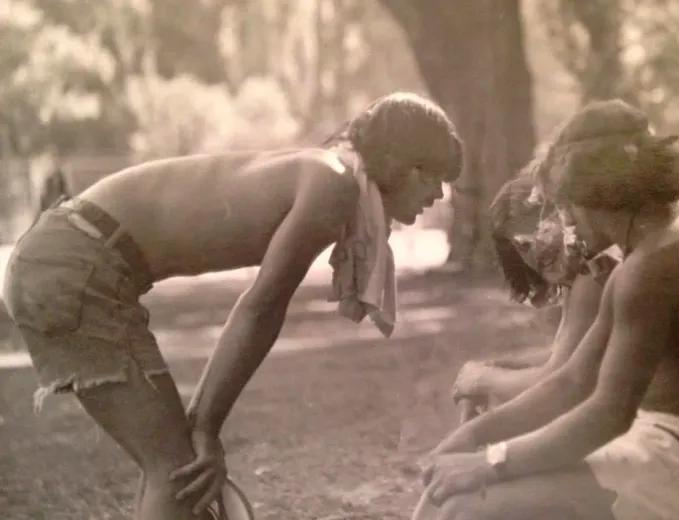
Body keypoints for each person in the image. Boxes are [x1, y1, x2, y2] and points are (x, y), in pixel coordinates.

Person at [2, 92, 463, 519]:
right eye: (436, 178)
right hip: (76, 260)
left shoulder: (331, 172)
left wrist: (203, 424)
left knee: (176, 467)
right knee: (178, 471)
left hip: (70, 252)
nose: (438, 196)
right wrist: (207, 427)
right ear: (405, 165)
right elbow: (261, 307)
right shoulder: (335, 185)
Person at [415, 99, 679, 520]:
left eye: (566, 206)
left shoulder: (657, 263)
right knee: (461, 492)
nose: (568, 224)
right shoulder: (656, 245)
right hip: (677, 449)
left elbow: (608, 414)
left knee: (472, 507)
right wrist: (474, 438)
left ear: (597, 196)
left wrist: (491, 460)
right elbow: (573, 381)